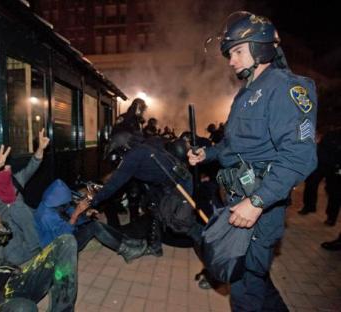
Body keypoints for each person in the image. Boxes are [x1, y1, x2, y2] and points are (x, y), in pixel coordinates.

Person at [188, 12, 317, 311]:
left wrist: (257, 202)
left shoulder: (286, 88)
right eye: (229, 54)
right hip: (237, 199)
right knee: (254, 279)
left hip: (257, 207)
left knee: (245, 290)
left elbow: (300, 156)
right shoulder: (246, 93)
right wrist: (208, 153)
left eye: (237, 51)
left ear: (260, 47)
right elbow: (233, 145)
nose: (231, 60)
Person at [91, 131, 197, 257]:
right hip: (171, 181)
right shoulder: (146, 145)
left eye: (119, 152)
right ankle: (155, 247)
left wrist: (94, 201)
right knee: (155, 209)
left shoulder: (134, 155)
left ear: (124, 147)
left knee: (178, 222)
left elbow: (115, 183)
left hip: (178, 185)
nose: (119, 156)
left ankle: (207, 238)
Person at [34, 179, 147, 263]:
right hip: (57, 248)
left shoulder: (56, 204)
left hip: (66, 236)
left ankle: (127, 242)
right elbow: (64, 236)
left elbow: (69, 214)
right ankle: (127, 251)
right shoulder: (46, 215)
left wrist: (85, 214)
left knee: (95, 224)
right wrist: (76, 213)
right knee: (94, 227)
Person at [0, 129, 50, 265]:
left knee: (18, 207)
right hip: (6, 228)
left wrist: (40, 148)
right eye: (2, 168)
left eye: (7, 167)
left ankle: (37, 249)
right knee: (14, 258)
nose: (6, 171)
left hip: (25, 224)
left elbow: (33, 165)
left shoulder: (17, 179)